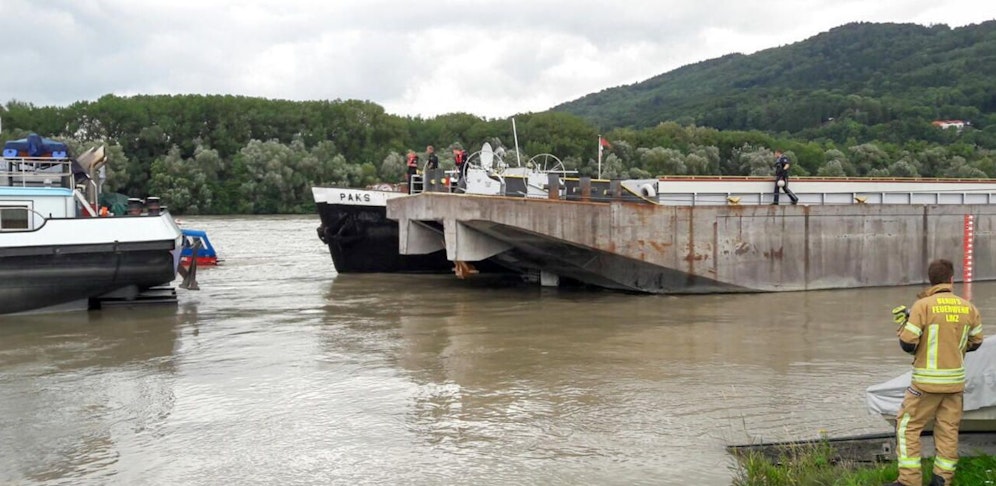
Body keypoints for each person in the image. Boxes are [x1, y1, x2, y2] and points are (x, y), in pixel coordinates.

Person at [886, 259, 983, 486]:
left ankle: (909, 481)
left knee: (907, 427)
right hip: (955, 385)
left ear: (931, 281)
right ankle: (942, 480)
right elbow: (977, 341)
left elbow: (908, 344)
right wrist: (954, 347)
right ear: (951, 280)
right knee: (948, 430)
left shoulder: (923, 306)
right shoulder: (968, 307)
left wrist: (902, 324)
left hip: (925, 386)